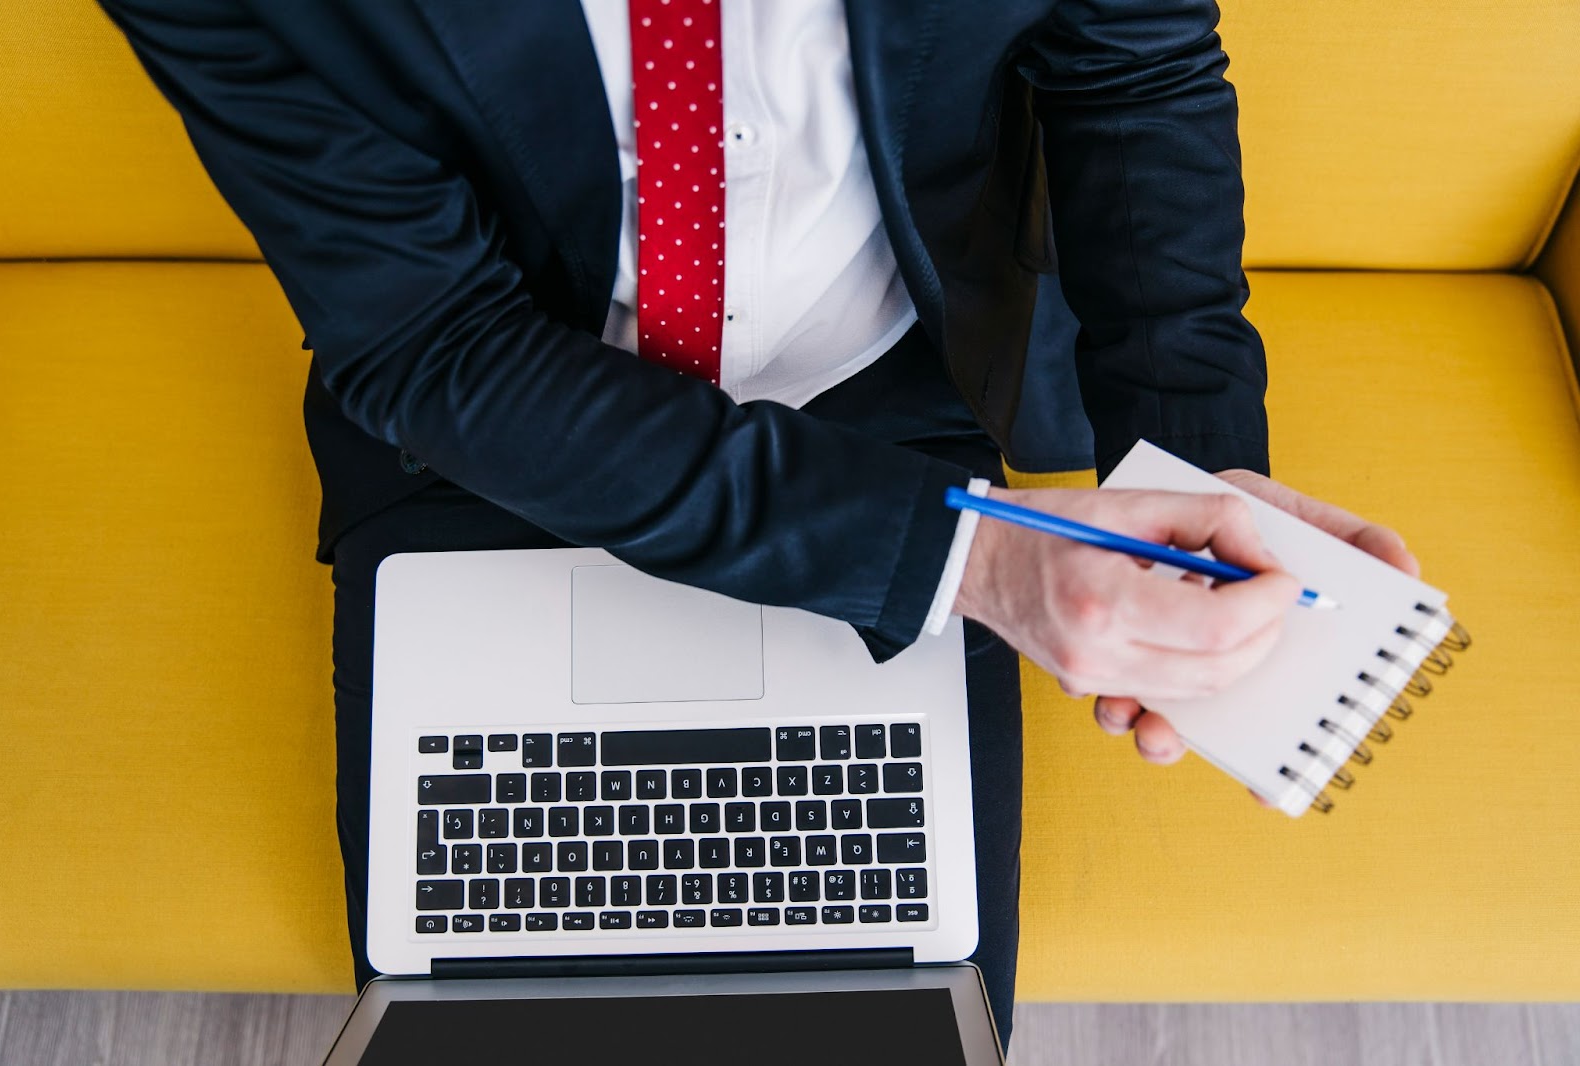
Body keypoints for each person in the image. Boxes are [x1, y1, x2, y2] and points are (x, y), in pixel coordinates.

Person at [102, 0, 1417, 1050]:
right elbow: (435, 340)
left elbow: (1133, 68)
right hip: (492, 445)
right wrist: (978, 558)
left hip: (889, 410)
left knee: (911, 1002)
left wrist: (1198, 483)